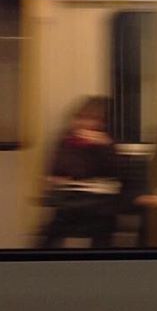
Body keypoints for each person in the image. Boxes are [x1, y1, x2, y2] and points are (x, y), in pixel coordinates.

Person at [40, 96, 119, 248]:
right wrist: (56, 179)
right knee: (50, 232)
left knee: (103, 223)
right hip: (70, 199)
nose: (85, 124)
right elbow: (55, 168)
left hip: (100, 201)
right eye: (81, 118)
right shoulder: (66, 140)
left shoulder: (107, 143)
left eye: (92, 119)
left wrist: (104, 147)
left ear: (101, 123)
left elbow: (115, 173)